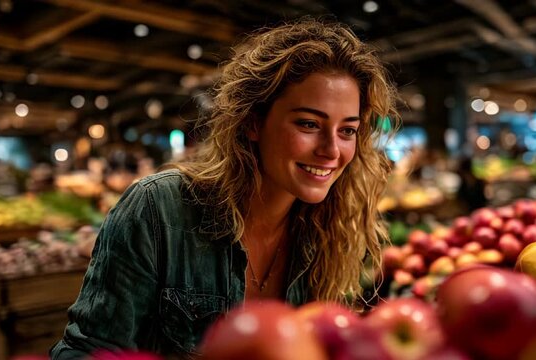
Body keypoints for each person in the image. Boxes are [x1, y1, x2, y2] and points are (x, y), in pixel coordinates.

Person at [51, 17, 401, 358]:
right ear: (253, 122)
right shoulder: (158, 209)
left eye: (348, 130)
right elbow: (88, 351)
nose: (331, 151)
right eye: (309, 124)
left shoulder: (331, 230)